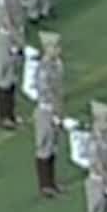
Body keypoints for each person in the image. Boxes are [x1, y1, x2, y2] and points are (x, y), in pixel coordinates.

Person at [0, 0, 26, 128]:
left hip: (17, 34)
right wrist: (17, 40)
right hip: (6, 38)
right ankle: (4, 116)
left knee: (13, 75)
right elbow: (6, 22)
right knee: (4, 75)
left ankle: (12, 114)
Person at [33, 31, 64, 198]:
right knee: (44, 146)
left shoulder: (57, 64)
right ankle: (45, 184)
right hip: (46, 110)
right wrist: (54, 112)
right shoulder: (44, 69)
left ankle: (52, 181)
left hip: (55, 109)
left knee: (53, 146)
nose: (59, 50)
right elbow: (46, 92)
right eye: (55, 47)